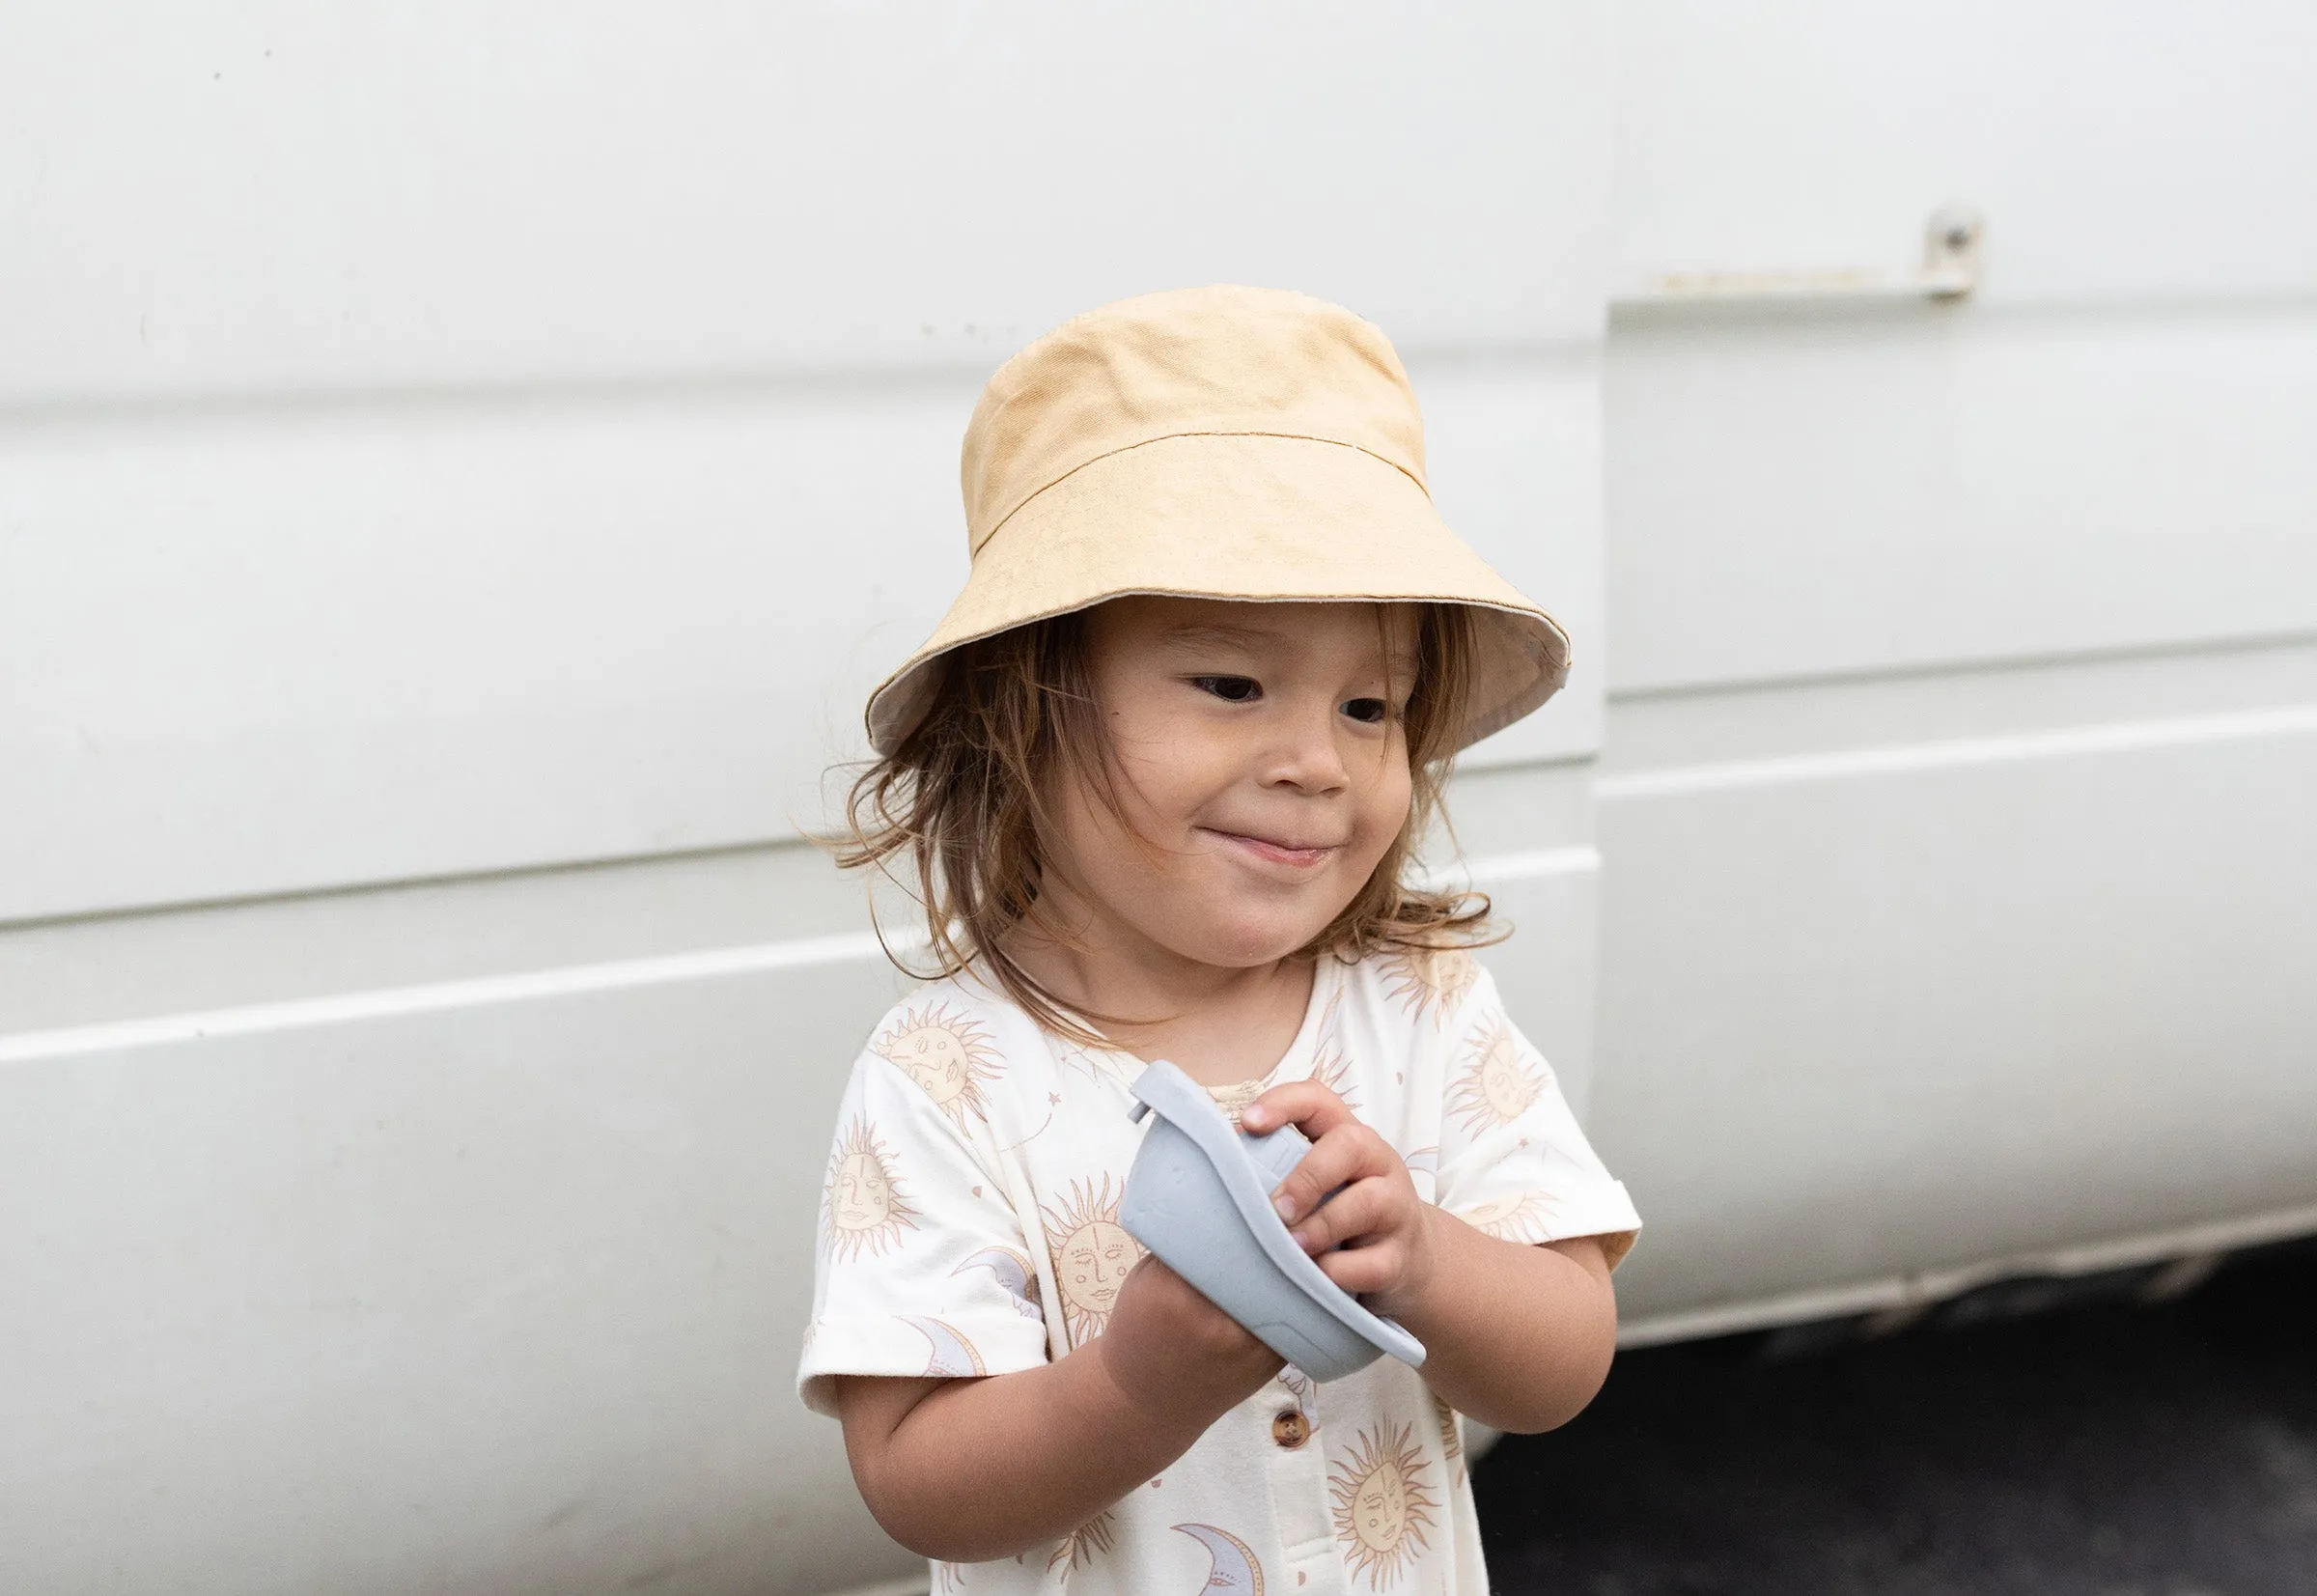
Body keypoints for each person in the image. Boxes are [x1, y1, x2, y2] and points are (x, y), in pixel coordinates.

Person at [798, 285, 1641, 1594]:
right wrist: (1134, 1385)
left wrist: (1424, 1257)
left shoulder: (1416, 1008)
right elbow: (917, 1481)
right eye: (1234, 685)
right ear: (1027, 707)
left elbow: (1566, 1357)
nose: (1317, 761)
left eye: (1371, 705)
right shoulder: (947, 1074)